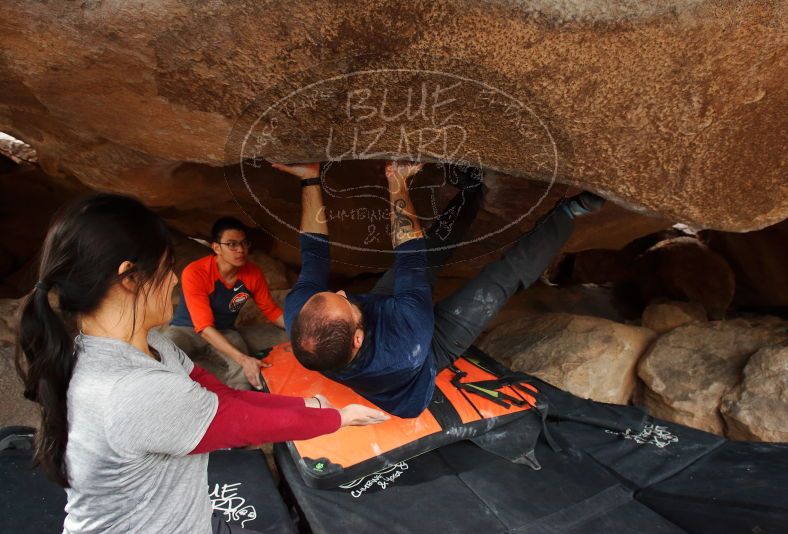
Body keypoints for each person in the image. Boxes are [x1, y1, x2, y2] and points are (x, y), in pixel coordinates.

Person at [15, 194, 387, 534]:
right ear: (129, 277)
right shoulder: (133, 390)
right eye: (166, 267)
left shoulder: (146, 343)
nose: (173, 278)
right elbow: (241, 421)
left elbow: (220, 396)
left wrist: (308, 401)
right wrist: (336, 418)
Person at [278, 161, 604, 418]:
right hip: (424, 360)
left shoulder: (303, 319)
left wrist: (310, 178)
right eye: (346, 304)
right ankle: (568, 213)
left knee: (434, 245)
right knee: (498, 281)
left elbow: (314, 254)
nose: (343, 293)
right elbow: (410, 258)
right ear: (358, 337)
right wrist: (397, 181)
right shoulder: (407, 343)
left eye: (335, 295)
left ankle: (471, 192)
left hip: (387, 324)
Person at [167, 217, 285, 390]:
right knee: (164, 358)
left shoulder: (253, 274)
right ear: (216, 248)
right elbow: (204, 327)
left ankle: (239, 411)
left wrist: (299, 330)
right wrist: (243, 358)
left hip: (224, 331)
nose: (240, 250)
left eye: (244, 243)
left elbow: (271, 311)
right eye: (232, 244)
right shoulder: (196, 272)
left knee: (246, 372)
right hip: (186, 330)